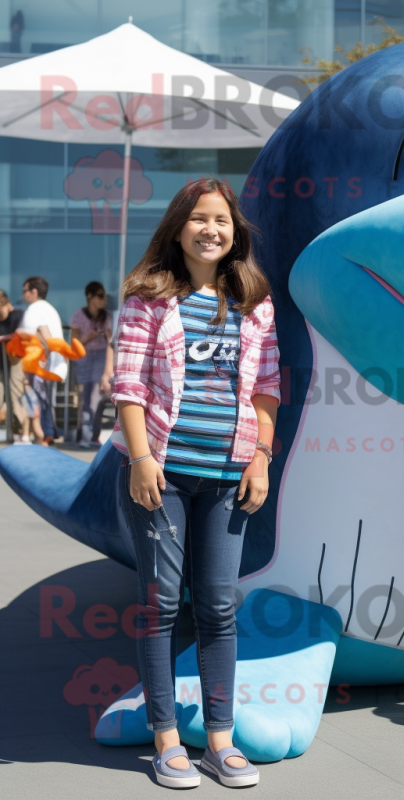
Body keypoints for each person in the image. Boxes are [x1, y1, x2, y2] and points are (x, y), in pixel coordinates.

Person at [111, 178, 280, 789]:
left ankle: (219, 741)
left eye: (224, 221)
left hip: (229, 476)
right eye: (201, 219)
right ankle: (165, 741)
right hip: (163, 472)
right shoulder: (148, 297)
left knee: (217, 607)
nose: (213, 230)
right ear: (179, 227)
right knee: (159, 605)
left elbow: (267, 388)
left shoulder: (253, 299)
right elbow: (128, 385)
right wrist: (140, 460)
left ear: (236, 232)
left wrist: (259, 458)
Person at [19, 276, 67, 445]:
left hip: (41, 364)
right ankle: (47, 437)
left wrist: (42, 358)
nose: (23, 295)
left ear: (34, 292)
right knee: (43, 403)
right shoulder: (49, 309)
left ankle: (44, 439)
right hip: (51, 365)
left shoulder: (35, 309)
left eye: (25, 290)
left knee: (37, 403)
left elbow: (43, 336)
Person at [70, 281, 113, 447]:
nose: (103, 300)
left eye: (104, 296)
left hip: (101, 356)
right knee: (85, 397)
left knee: (94, 396)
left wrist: (108, 336)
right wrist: (90, 337)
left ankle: (89, 436)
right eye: (100, 296)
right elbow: (74, 343)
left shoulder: (107, 317)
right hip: (84, 358)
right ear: (90, 296)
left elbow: (112, 341)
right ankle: (89, 435)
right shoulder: (78, 315)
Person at [0, 289, 25, 433]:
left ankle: (20, 430)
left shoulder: (19, 316)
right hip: (1, 362)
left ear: (6, 304)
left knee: (15, 394)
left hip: (16, 359)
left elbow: (22, 334)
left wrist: (4, 338)